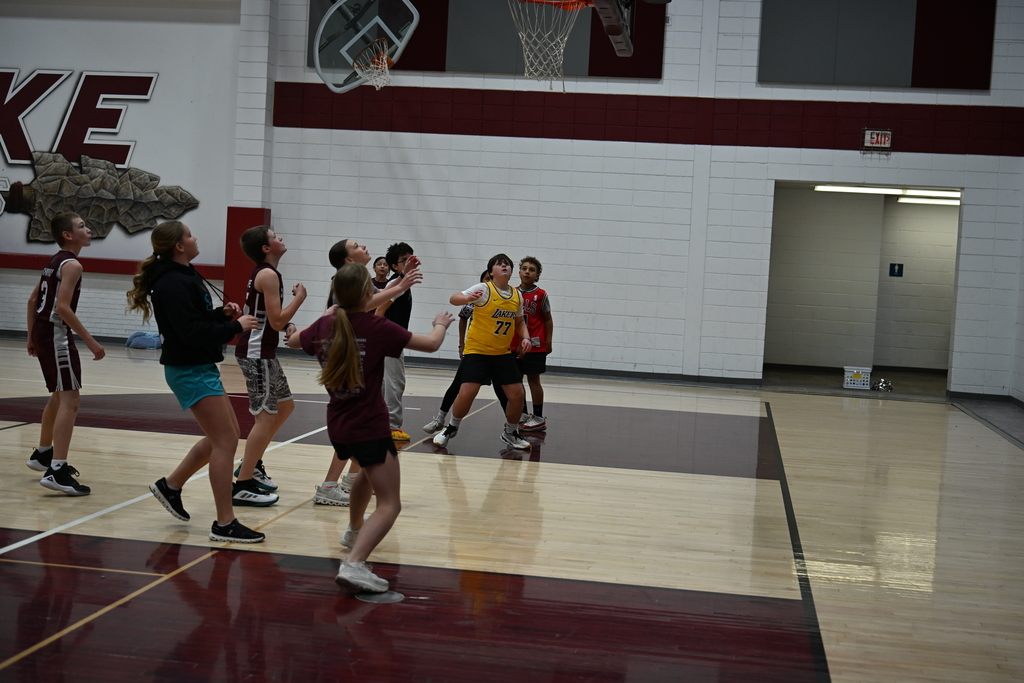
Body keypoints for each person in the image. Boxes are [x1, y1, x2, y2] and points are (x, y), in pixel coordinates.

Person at [288, 263, 454, 593]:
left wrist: (295, 326)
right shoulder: (377, 327)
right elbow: (432, 344)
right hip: (369, 425)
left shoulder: (325, 324)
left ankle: (352, 531)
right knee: (390, 503)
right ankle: (355, 564)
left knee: (365, 472)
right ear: (369, 293)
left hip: (338, 424)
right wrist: (440, 324)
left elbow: (294, 341)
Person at [126, 221, 265, 543]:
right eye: (189, 234)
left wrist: (220, 316)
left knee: (225, 436)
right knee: (225, 442)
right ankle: (224, 523)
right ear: (178, 246)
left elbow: (194, 322)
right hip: (188, 368)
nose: (195, 237)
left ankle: (170, 485)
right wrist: (236, 328)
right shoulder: (172, 283)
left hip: (199, 364)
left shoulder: (183, 276)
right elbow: (189, 333)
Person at [309, 239, 422, 506]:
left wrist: (402, 278)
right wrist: (402, 283)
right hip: (345, 354)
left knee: (362, 422)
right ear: (348, 259)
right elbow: (371, 303)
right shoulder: (345, 280)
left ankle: (351, 479)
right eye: (357, 245)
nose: (364, 247)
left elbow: (376, 295)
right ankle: (327, 486)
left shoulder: (359, 277)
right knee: (354, 422)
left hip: (353, 352)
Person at [25, 213, 105, 495]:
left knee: (59, 396)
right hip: (57, 334)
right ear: (68, 235)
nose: (89, 228)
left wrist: (31, 334)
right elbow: (62, 308)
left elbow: (33, 300)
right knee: (71, 400)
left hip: (45, 332)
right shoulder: (72, 264)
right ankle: (57, 469)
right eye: (82, 226)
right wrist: (91, 341)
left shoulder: (54, 261)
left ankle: (43, 454)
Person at [232, 225, 307, 506]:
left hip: (264, 351)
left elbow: (268, 317)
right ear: (266, 248)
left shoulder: (267, 274)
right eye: (276, 237)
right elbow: (273, 321)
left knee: (285, 406)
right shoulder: (267, 274)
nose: (281, 238)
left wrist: (286, 324)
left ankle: (252, 464)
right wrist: (300, 299)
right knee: (265, 417)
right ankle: (242, 483)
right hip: (255, 353)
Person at [432, 254, 532, 451]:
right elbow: (454, 298)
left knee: (518, 394)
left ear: (512, 271)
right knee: (467, 391)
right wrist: (467, 298)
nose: (504, 266)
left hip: (502, 353)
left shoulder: (516, 295)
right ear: (491, 271)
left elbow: (519, 322)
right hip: (477, 351)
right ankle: (451, 428)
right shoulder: (484, 289)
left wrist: (526, 337)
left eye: (508, 264)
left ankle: (510, 433)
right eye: (499, 264)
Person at [374, 242, 414, 442]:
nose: (410, 262)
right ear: (395, 266)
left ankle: (380, 421)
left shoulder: (401, 283)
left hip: (386, 338)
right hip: (388, 338)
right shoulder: (396, 285)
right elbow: (379, 311)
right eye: (404, 260)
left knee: (384, 382)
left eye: (411, 258)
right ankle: (392, 426)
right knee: (395, 382)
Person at [513, 256, 553, 432]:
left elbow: (548, 320)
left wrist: (548, 341)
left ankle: (538, 417)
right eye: (524, 268)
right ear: (519, 272)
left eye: (532, 269)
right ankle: (522, 413)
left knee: (533, 380)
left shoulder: (541, 295)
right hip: (515, 344)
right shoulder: (512, 293)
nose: (527, 271)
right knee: (516, 380)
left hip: (536, 345)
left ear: (537, 275)